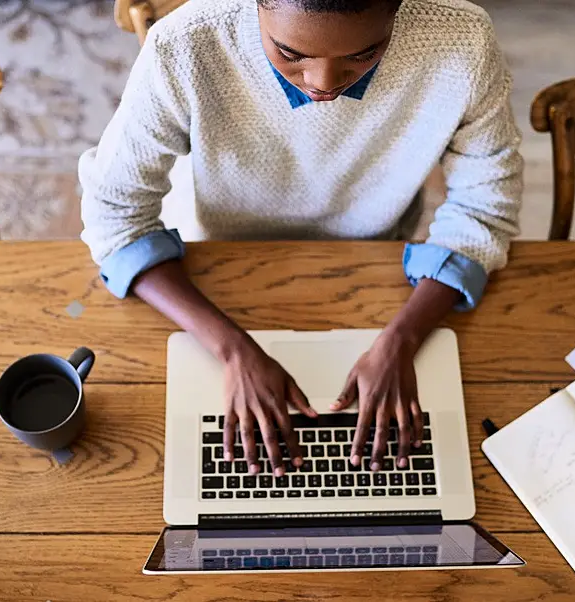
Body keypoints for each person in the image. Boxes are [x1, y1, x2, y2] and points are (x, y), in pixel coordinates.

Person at [80, 0, 523, 480]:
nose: (323, 84)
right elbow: (115, 217)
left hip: (376, 257)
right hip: (217, 259)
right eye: (291, 54)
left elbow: (486, 203)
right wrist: (232, 350)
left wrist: (403, 338)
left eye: (364, 53)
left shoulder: (464, 41)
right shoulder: (184, 44)